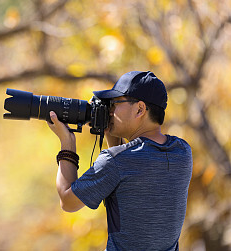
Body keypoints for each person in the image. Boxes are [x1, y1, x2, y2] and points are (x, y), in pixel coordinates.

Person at [48, 71, 192, 250]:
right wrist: (112, 135)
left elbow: (67, 201)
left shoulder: (116, 161)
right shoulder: (182, 152)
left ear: (140, 109)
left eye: (114, 103)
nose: (109, 111)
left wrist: (67, 142)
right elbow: (133, 167)